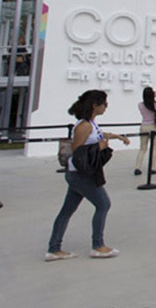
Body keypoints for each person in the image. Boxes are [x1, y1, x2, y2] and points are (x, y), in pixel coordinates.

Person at [46, 89, 130, 261]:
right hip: (81, 175)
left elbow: (99, 135)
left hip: (80, 174)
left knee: (67, 211)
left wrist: (117, 137)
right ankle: (98, 245)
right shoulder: (84, 126)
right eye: (104, 104)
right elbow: (78, 151)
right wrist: (99, 147)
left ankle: (54, 248)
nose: (106, 107)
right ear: (95, 105)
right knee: (103, 204)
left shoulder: (91, 124)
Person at [134, 87, 156, 176]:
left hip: (144, 126)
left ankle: (137, 167)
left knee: (142, 148)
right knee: (154, 147)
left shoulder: (140, 105)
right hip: (154, 127)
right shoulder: (155, 104)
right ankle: (152, 167)